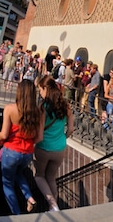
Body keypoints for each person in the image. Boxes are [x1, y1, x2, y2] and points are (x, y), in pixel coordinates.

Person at [0, 79, 43, 215]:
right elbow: (39, 137)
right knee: (18, 173)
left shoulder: (10, 109)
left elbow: (4, 134)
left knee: (7, 183)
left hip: (11, 152)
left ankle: (17, 215)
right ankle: (29, 197)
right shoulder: (38, 112)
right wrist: (27, 141)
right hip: (27, 153)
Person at [34, 75, 74, 211]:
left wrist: (31, 146)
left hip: (44, 147)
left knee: (39, 176)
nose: (40, 93)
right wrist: (63, 137)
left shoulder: (43, 107)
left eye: (40, 89)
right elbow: (71, 128)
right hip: (60, 148)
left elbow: (39, 135)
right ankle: (54, 208)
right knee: (51, 177)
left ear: (46, 88)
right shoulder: (65, 105)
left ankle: (53, 204)